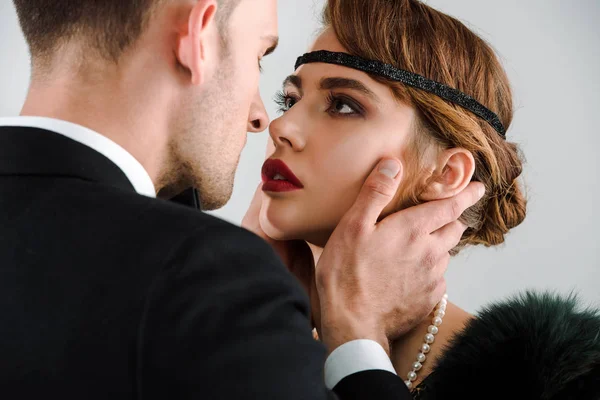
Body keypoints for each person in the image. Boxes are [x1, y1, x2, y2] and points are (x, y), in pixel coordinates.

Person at [0, 1, 485, 399]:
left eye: (342, 105)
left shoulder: (540, 374)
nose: (273, 124)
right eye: (260, 60)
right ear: (197, 32)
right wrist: (357, 341)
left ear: (447, 174)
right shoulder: (204, 277)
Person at [243, 0, 600, 398]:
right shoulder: (238, 329)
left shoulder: (556, 380)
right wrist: (251, 315)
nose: (282, 126)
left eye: (343, 105)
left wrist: (355, 339)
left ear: (446, 175)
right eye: (290, 100)